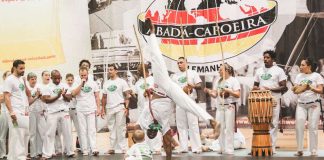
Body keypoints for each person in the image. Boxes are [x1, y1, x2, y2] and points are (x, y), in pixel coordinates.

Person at [135, 19, 220, 160]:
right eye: (152, 134)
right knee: (186, 102)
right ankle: (211, 120)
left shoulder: (144, 120)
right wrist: (168, 157)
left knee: (156, 58)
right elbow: (167, 141)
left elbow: (135, 130)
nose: (151, 133)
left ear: (147, 131)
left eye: (149, 133)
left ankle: (152, 33)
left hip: (161, 86)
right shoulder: (162, 126)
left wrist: (135, 142)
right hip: (169, 96)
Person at [252, 50, 287, 153]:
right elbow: (255, 85)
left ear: (273, 59)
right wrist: (255, 88)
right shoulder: (259, 71)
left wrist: (270, 89)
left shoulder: (279, 71)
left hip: (274, 99)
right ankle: (262, 145)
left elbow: (284, 87)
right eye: (264, 57)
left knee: (273, 123)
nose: (265, 59)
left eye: (268, 58)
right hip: (261, 99)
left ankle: (272, 146)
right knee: (262, 122)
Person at [205, 63, 241, 154]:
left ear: (227, 71)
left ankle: (229, 149)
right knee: (219, 127)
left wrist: (228, 90)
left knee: (229, 128)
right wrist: (209, 91)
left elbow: (237, 94)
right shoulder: (218, 80)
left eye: (221, 70)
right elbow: (215, 95)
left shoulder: (233, 80)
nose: (219, 72)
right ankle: (222, 148)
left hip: (229, 106)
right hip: (220, 106)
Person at [292, 57, 324, 157]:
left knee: (313, 127)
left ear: (309, 66)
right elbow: (295, 90)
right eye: (300, 65)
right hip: (301, 104)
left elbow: (321, 90)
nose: (300, 67)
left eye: (303, 65)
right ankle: (300, 150)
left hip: (314, 104)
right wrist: (299, 88)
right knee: (299, 126)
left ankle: (313, 150)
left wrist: (311, 88)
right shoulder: (299, 76)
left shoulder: (317, 76)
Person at [171, 57, 203, 154]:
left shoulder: (192, 73)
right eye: (178, 63)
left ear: (186, 63)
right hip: (180, 102)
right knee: (181, 126)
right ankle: (183, 147)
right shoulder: (175, 76)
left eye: (181, 62)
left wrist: (192, 86)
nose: (179, 64)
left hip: (190, 101)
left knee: (193, 125)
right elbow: (172, 89)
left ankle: (197, 147)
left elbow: (200, 86)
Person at [41, 70, 75, 159]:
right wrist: (58, 95)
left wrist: (63, 95)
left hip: (64, 112)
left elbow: (69, 99)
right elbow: (47, 100)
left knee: (67, 132)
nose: (57, 80)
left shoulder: (64, 85)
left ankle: (70, 151)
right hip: (52, 113)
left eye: (59, 78)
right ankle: (47, 154)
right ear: (51, 78)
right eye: (55, 78)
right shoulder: (47, 87)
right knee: (49, 134)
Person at [3, 60, 32, 160]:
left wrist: (26, 109)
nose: (23, 70)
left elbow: (25, 95)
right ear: (14, 68)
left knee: (24, 133)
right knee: (17, 134)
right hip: (15, 112)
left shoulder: (20, 79)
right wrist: (11, 112)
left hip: (23, 111)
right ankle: (17, 157)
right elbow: (6, 96)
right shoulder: (9, 80)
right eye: (21, 68)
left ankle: (19, 155)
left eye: (24, 68)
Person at [133, 64, 162, 154]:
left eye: (139, 70)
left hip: (151, 106)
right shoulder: (138, 83)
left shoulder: (153, 80)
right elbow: (136, 96)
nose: (137, 72)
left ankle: (157, 148)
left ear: (145, 70)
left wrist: (150, 92)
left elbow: (158, 92)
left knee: (153, 127)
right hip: (141, 108)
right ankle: (147, 147)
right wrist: (132, 94)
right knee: (141, 127)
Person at [101, 64, 131, 154]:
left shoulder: (122, 82)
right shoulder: (106, 83)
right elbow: (104, 97)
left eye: (111, 69)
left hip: (120, 107)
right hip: (109, 108)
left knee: (121, 128)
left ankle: (123, 148)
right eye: (109, 70)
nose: (109, 71)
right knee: (111, 128)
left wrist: (127, 108)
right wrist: (103, 108)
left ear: (116, 71)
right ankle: (112, 147)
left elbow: (127, 96)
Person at [72, 67, 101, 156]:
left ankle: (94, 148)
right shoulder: (76, 83)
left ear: (88, 74)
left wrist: (98, 108)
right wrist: (81, 84)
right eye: (82, 75)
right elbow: (73, 94)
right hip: (80, 109)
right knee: (82, 130)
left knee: (91, 129)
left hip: (91, 109)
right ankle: (85, 149)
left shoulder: (93, 83)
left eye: (85, 75)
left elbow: (97, 96)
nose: (83, 76)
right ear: (79, 74)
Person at [26, 72, 43, 158]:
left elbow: (42, 100)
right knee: (32, 133)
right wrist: (36, 96)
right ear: (28, 80)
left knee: (40, 132)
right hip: (31, 112)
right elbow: (28, 102)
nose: (34, 80)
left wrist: (42, 109)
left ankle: (39, 151)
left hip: (39, 111)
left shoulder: (39, 87)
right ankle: (33, 153)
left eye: (35, 79)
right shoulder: (27, 89)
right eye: (32, 79)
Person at [65, 73, 82, 152]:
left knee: (79, 129)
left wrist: (72, 94)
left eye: (71, 80)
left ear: (73, 80)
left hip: (75, 109)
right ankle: (68, 149)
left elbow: (76, 96)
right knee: (68, 130)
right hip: (67, 110)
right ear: (66, 80)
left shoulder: (76, 87)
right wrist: (70, 95)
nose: (70, 81)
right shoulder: (64, 87)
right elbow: (65, 97)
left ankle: (82, 147)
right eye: (68, 80)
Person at [0, 71, 11, 159]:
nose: (10, 77)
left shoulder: (13, 86)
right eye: (8, 75)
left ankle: (11, 153)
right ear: (4, 78)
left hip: (13, 113)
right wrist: (7, 95)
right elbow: (0, 100)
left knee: (13, 134)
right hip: (4, 112)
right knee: (3, 134)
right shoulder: (1, 87)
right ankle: (3, 153)